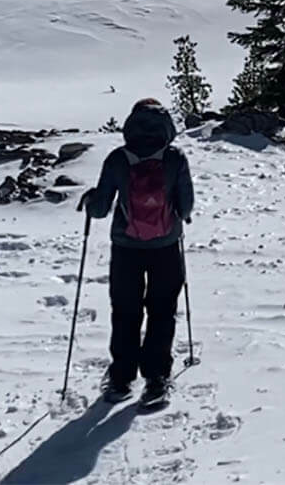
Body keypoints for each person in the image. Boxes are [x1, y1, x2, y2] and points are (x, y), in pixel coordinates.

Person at [79, 98, 195, 405]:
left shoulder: (118, 159)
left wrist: (91, 199)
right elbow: (186, 207)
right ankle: (156, 379)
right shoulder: (174, 158)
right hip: (166, 245)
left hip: (127, 248)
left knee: (126, 311)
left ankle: (121, 379)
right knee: (162, 311)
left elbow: (101, 209)